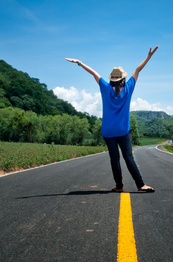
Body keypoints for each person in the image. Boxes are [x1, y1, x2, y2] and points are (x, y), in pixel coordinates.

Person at [65, 46, 159, 193]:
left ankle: (119, 186)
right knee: (128, 157)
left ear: (112, 80)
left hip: (108, 131)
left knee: (114, 159)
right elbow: (138, 70)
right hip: (123, 130)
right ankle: (141, 185)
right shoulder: (128, 88)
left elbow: (93, 73)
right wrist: (149, 57)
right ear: (123, 79)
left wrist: (79, 62)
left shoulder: (105, 88)